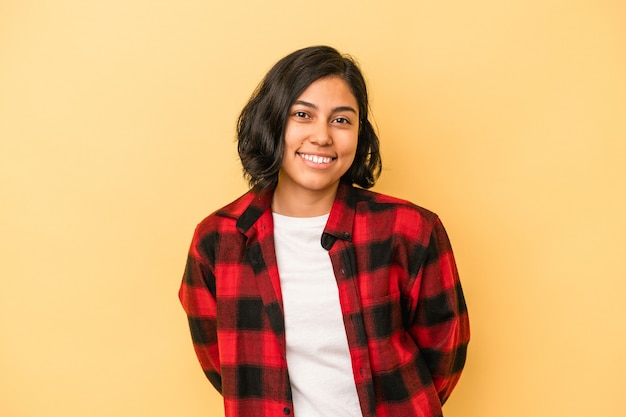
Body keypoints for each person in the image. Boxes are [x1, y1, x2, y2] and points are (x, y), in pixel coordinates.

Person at [179, 45, 470, 417]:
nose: (322, 136)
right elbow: (222, 362)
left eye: (341, 120)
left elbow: (444, 353)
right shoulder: (218, 240)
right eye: (302, 115)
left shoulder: (410, 230)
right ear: (272, 122)